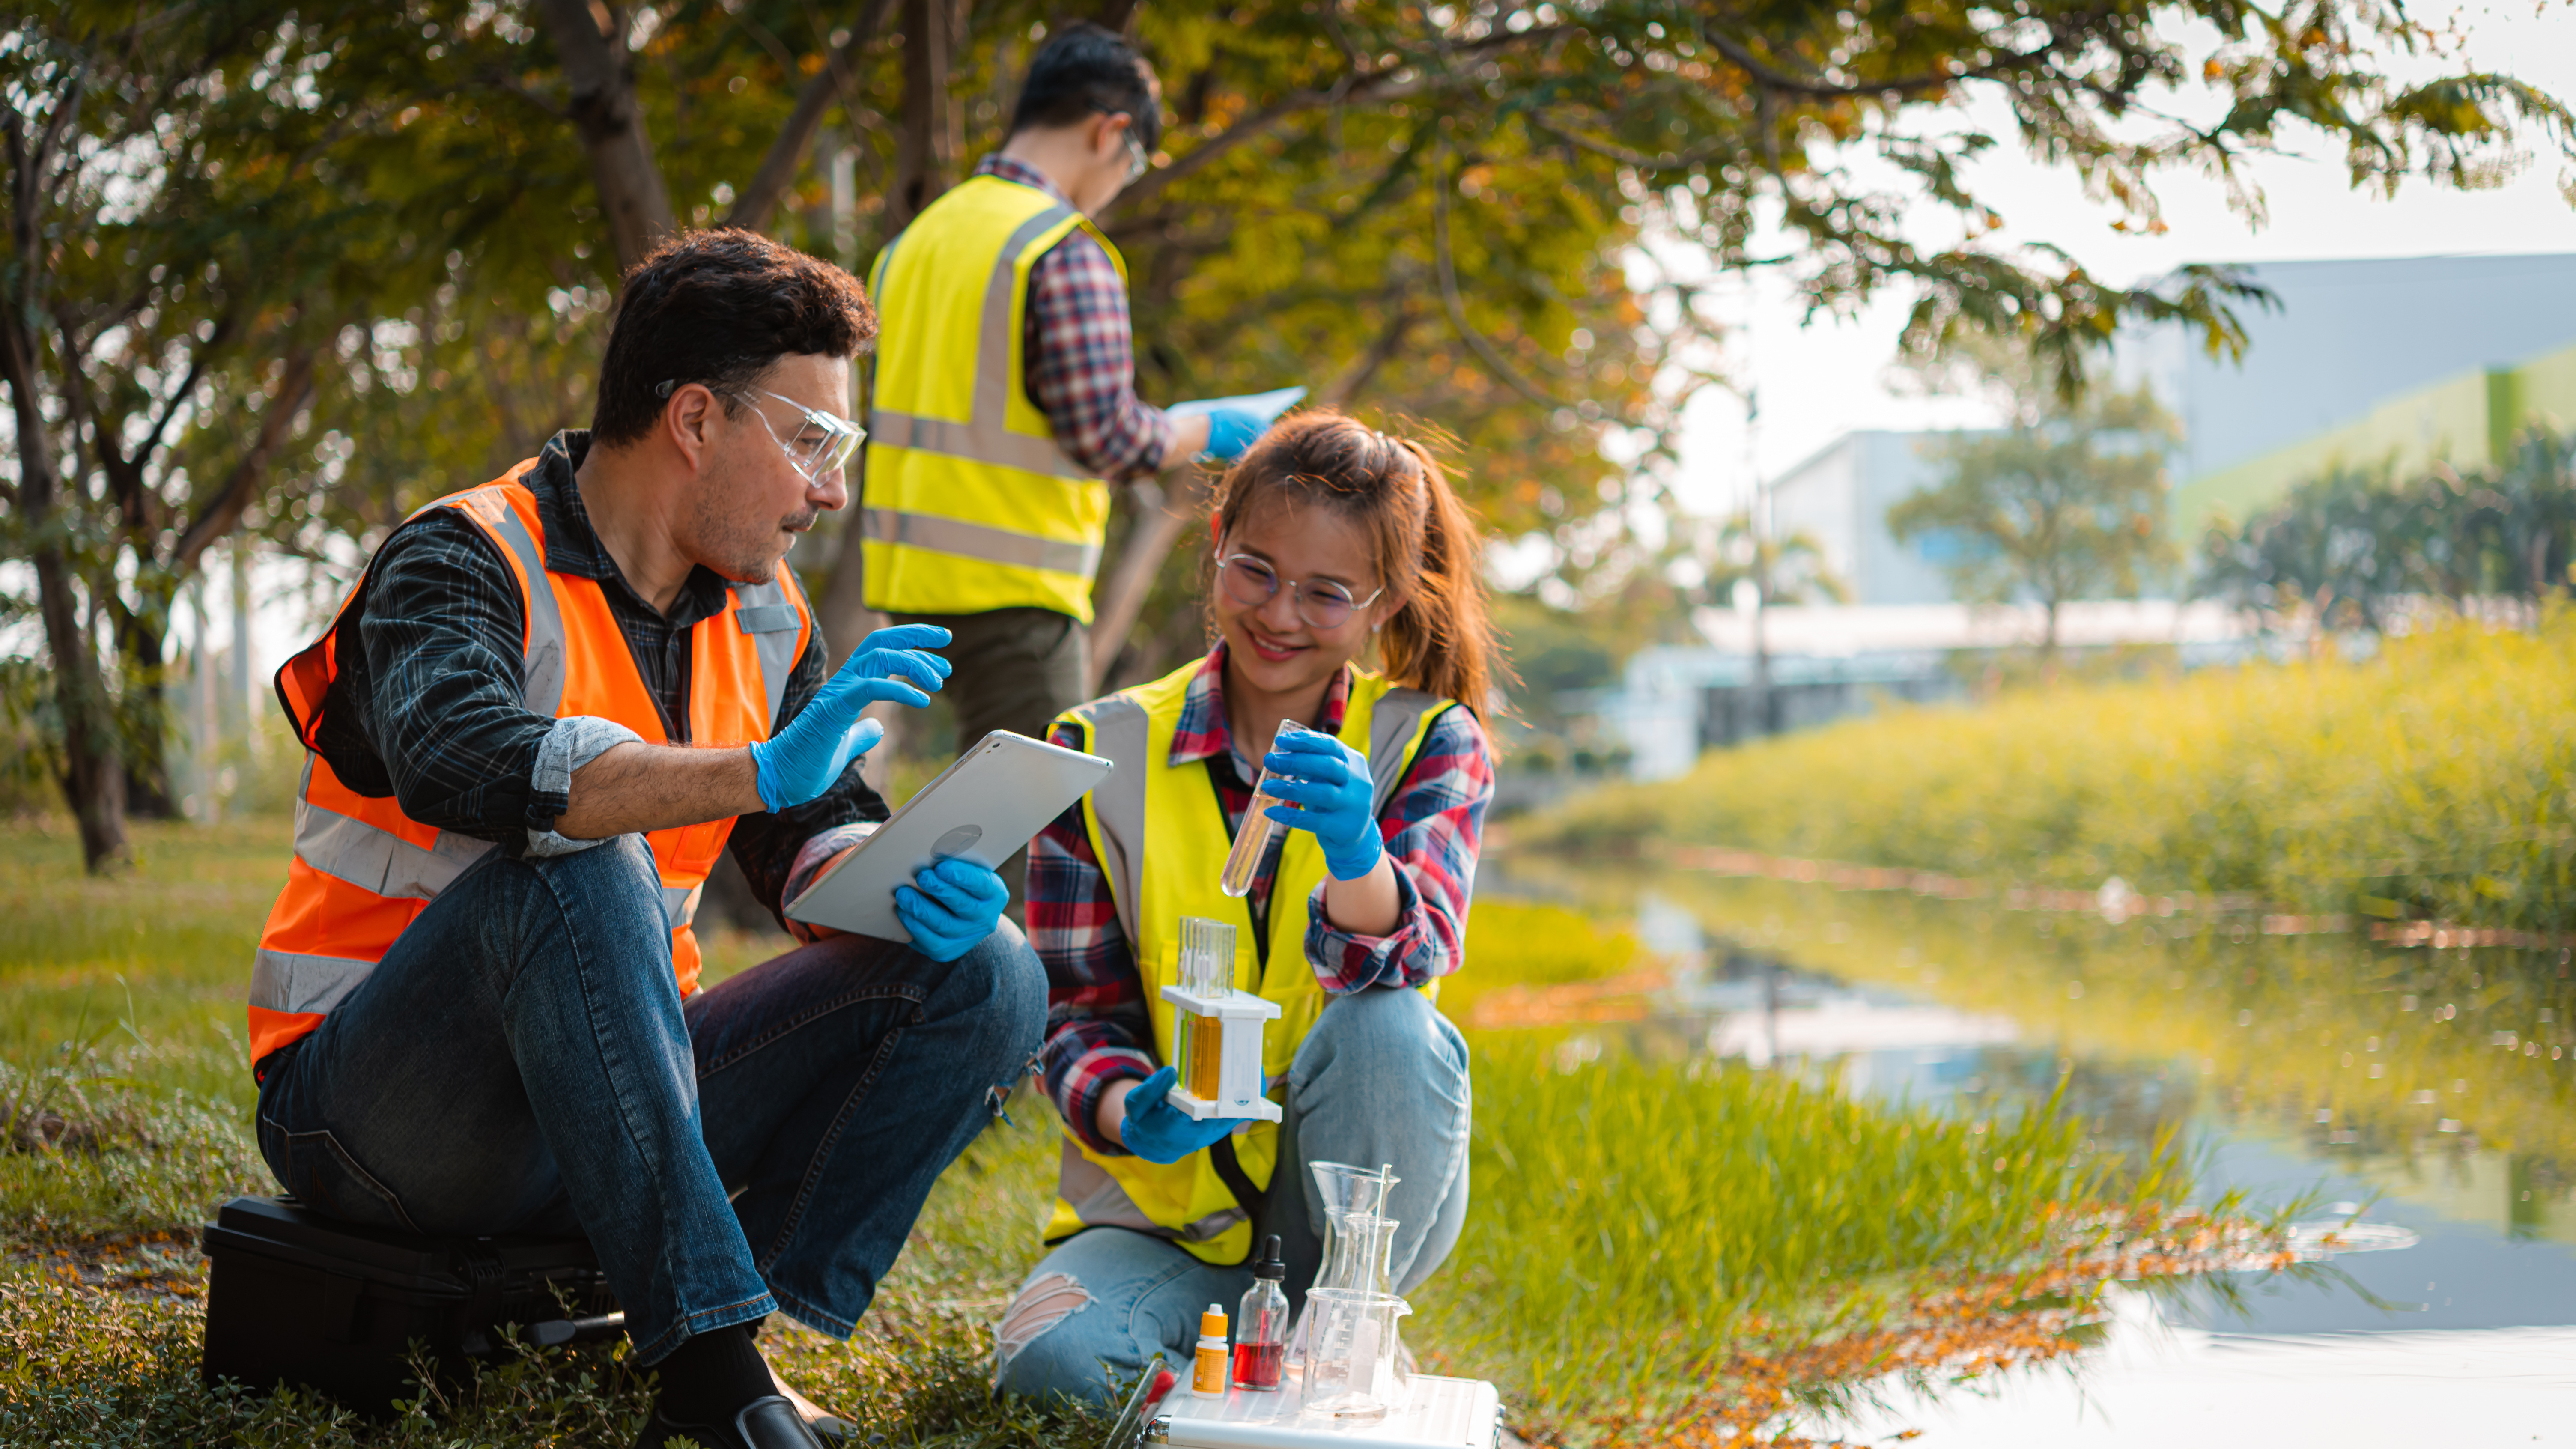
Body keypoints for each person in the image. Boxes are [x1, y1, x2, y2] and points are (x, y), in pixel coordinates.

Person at [245, 230, 1042, 1449]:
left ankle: (748, 1339)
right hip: (378, 1112)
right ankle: (713, 1379)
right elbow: (465, 759)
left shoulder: (767, 620)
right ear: (693, 421)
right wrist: (754, 768)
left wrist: (885, 883)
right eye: (813, 443)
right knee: (574, 862)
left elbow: (807, 828)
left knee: (990, 969)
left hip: (617, 1096)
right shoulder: (458, 558)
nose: (829, 488)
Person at [992, 411, 1502, 1401]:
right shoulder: (1097, 750)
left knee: (1393, 1026)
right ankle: (1264, 1387)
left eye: (1326, 594)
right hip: (1159, 1222)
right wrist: (1120, 1106)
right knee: (1048, 1365)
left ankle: (1336, 1334)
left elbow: (1409, 958)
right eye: (1255, 570)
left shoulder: (1427, 741)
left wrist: (1358, 854)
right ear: (1217, 537)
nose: (1279, 615)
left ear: (1383, 602)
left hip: (1354, 1223)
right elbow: (1070, 1014)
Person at [859, 21, 1275, 768]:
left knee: (953, 831)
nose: (1128, 176)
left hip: (906, 590)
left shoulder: (913, 243)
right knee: (1024, 848)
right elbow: (1109, 439)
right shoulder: (1063, 249)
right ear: (1109, 130)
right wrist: (1199, 426)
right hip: (1015, 601)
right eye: (1137, 156)